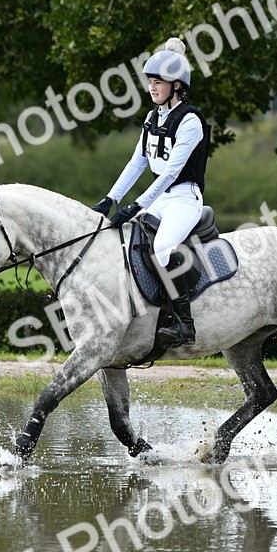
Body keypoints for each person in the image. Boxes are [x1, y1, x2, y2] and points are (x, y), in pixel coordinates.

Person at [91, 37, 211, 348]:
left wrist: (136, 205)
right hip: (161, 199)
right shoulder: (151, 118)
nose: (153, 87)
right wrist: (111, 198)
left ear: (177, 86)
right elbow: (137, 162)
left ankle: (185, 325)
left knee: (160, 249)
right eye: (151, 81)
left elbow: (170, 172)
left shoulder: (191, 121)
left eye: (160, 82)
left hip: (184, 198)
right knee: (124, 241)